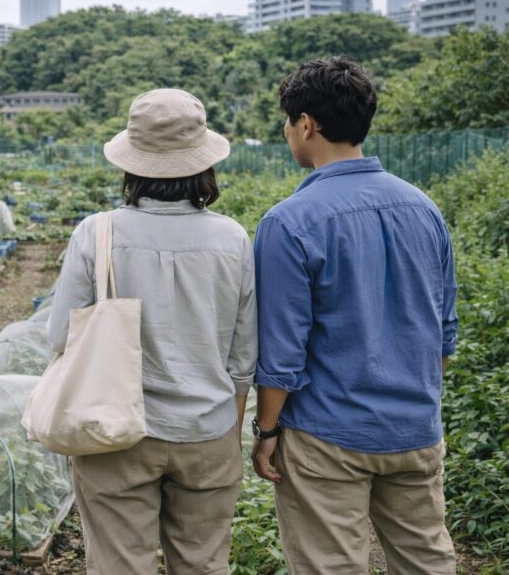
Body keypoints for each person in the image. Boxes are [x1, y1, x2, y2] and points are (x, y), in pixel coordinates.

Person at [250, 56, 458, 574]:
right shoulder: (423, 207)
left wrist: (266, 430)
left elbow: (282, 353)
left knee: (330, 566)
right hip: (414, 428)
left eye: (288, 122)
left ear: (306, 124)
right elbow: (443, 332)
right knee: (428, 561)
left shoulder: (288, 222)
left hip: (326, 435)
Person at [48, 88, 257, 574]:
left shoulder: (96, 233)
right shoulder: (232, 239)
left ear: (132, 163)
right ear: (203, 163)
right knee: (204, 565)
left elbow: (60, 339)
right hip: (208, 431)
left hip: (115, 432)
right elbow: (245, 356)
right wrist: (231, 426)